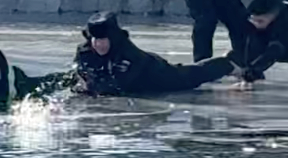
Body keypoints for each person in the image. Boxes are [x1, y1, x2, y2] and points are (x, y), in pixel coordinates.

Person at [73, 12, 242, 96]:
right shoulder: (85, 51)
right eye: (95, 39)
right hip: (139, 85)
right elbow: (79, 74)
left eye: (103, 40)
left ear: (112, 38)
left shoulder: (129, 54)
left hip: (156, 73)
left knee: (191, 76)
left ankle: (227, 64)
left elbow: (120, 86)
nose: (98, 44)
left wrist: (91, 88)